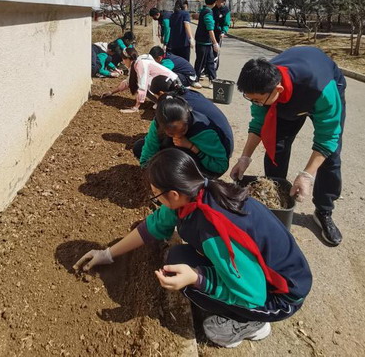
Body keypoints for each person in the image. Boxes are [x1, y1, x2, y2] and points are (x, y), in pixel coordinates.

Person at [75, 149, 312, 349]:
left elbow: (253, 294)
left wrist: (197, 278)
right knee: (177, 257)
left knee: (194, 295)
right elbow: (154, 226)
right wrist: (107, 254)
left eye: (156, 194)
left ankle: (250, 324)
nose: (156, 199)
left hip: (277, 296)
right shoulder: (198, 191)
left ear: (173, 194)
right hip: (259, 271)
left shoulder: (214, 230)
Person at [230, 46, 346, 246]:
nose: (255, 103)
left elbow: (328, 136)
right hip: (284, 96)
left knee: (330, 156)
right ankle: (277, 199)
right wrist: (245, 157)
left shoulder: (322, 89)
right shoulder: (262, 82)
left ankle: (324, 211)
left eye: (257, 100)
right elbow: (258, 124)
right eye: (251, 99)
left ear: (278, 90)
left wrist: (307, 175)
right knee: (276, 145)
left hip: (319, 88)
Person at [133, 87, 233, 177]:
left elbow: (220, 166)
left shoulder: (202, 130)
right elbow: (148, 152)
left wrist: (192, 147)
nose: (178, 136)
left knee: (176, 170)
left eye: (183, 131)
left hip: (210, 163)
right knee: (139, 147)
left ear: (187, 119)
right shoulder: (158, 123)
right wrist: (148, 171)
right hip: (187, 149)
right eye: (171, 134)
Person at [102, 48, 179, 113]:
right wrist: (111, 92)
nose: (123, 62)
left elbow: (143, 85)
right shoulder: (136, 64)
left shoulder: (140, 64)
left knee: (143, 85)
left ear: (128, 59)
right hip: (167, 83)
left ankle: (164, 103)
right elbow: (127, 82)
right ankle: (162, 102)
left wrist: (136, 107)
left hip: (171, 84)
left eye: (123, 59)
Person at [194, 0, 220, 89]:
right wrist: (215, 43)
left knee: (210, 61)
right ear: (215, 2)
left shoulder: (205, 10)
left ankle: (213, 80)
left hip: (207, 42)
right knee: (200, 62)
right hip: (202, 42)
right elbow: (210, 29)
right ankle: (194, 80)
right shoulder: (207, 13)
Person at [211, 0, 231, 76]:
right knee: (208, 51)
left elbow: (226, 23)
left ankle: (213, 69)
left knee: (215, 52)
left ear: (224, 2)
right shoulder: (212, 8)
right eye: (218, 1)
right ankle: (206, 69)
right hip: (211, 32)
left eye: (221, 2)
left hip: (218, 34)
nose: (219, 3)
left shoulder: (226, 11)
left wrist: (223, 32)